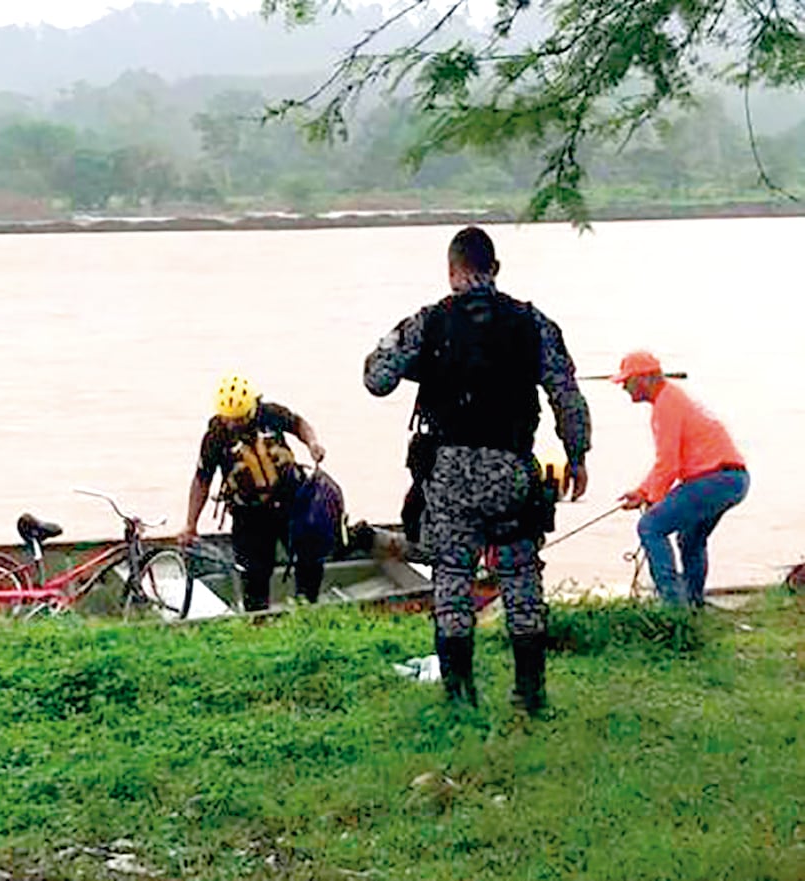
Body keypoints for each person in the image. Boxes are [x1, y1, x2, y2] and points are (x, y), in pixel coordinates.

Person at [363, 226, 591, 714]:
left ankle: (460, 697)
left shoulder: (429, 322)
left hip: (449, 472)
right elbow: (566, 394)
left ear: (451, 272)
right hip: (510, 468)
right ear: (496, 269)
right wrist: (577, 455)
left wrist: (401, 351)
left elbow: (375, 379)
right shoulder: (533, 323)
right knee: (521, 574)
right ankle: (530, 694)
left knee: (451, 577)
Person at [178, 374, 329, 612]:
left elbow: (299, 424)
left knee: (310, 557)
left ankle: (308, 607)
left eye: (239, 419)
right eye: (229, 419)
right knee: (254, 572)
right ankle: (257, 618)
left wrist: (312, 444)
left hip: (292, 503)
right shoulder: (216, 436)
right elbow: (201, 480)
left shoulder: (270, 414)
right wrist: (190, 524)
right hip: (250, 515)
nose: (234, 424)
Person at [613, 351, 749, 606]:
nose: (623, 387)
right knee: (690, 539)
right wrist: (643, 492)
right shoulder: (671, 398)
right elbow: (667, 464)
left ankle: (674, 607)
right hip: (734, 480)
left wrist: (653, 499)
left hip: (715, 480)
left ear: (646, 379)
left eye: (627, 380)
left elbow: (668, 464)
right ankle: (693, 605)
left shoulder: (667, 405)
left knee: (651, 527)